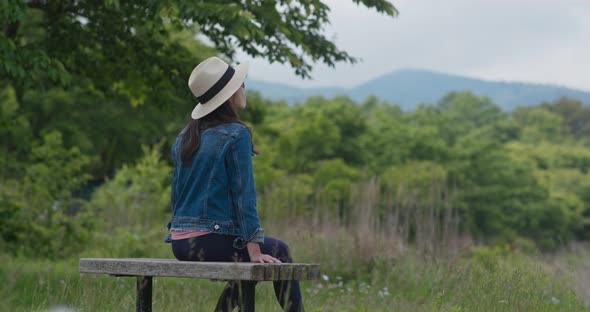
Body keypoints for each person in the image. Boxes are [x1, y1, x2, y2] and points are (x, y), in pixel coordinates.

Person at [164, 56, 304, 312]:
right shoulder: (236, 134)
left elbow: (177, 194)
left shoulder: (185, 136)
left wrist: (251, 251)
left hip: (180, 243)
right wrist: (254, 249)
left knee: (252, 261)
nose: (243, 89)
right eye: (241, 84)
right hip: (207, 241)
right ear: (229, 95)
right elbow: (244, 197)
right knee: (278, 251)